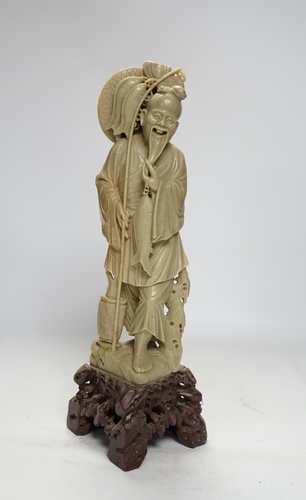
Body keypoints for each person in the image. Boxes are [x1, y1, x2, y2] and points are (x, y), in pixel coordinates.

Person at [96, 87, 189, 373]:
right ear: (143, 115)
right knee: (126, 294)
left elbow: (179, 199)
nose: (162, 124)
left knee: (151, 298)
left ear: (176, 127)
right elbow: (104, 181)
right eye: (157, 116)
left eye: (170, 120)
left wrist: (161, 188)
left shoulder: (176, 158)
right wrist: (116, 204)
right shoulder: (122, 150)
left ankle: (140, 352)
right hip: (128, 236)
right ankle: (115, 344)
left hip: (161, 243)